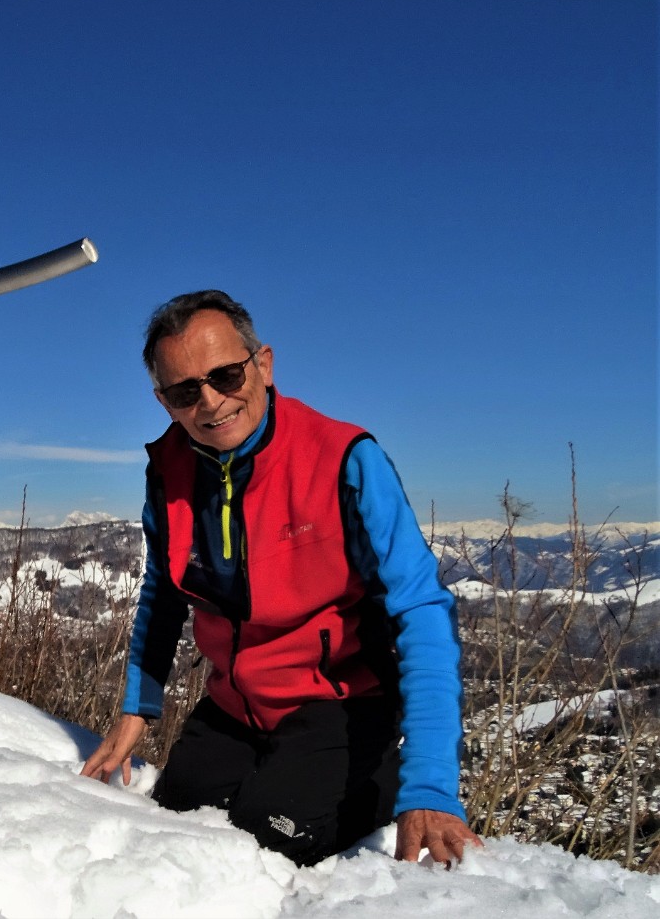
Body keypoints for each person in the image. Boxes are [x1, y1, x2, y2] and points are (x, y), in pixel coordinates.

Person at [81, 290, 482, 867]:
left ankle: (381, 773)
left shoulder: (344, 458)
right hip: (236, 702)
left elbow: (421, 610)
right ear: (163, 400)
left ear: (263, 365)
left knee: (265, 843)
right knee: (173, 826)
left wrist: (432, 786)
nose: (211, 402)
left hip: (341, 699)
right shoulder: (168, 468)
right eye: (185, 390)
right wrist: (137, 706)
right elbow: (162, 592)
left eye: (225, 375)